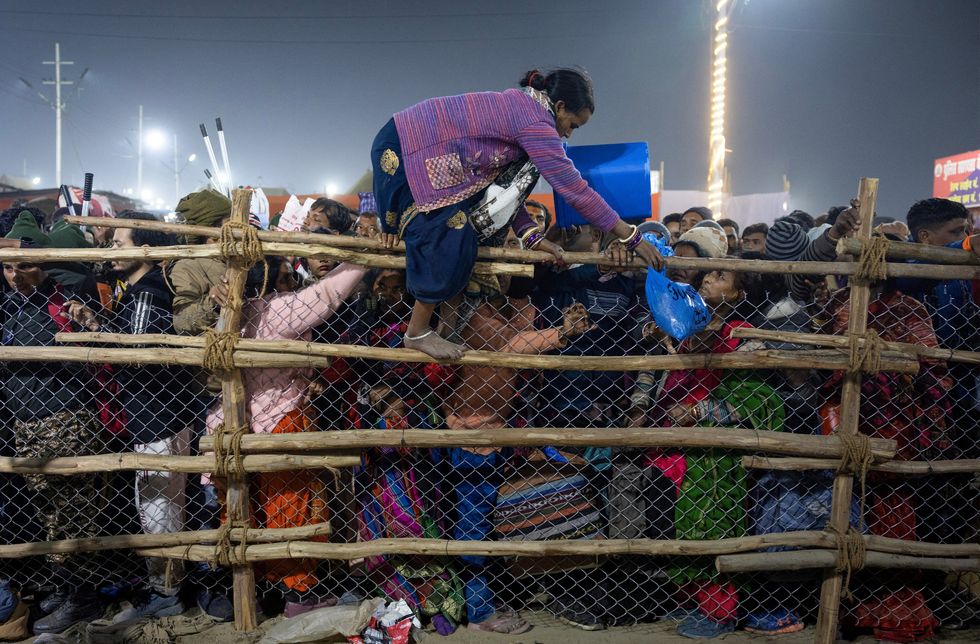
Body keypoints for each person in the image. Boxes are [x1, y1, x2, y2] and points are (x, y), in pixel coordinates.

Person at [371, 66, 662, 360]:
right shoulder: (536, 120)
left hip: (425, 151)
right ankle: (417, 332)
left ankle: (445, 329)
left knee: (464, 236)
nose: (568, 134)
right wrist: (632, 236)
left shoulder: (528, 109)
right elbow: (573, 189)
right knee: (449, 232)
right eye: (573, 124)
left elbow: (505, 191)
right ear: (559, 106)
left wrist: (533, 237)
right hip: (407, 147)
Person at [65, 211, 195, 620]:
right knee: (158, 506)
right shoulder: (134, 289)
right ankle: (165, 589)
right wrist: (96, 323)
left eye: (119, 242)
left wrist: (95, 335)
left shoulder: (148, 290)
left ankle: (167, 595)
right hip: (153, 413)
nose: (112, 249)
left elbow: (135, 354)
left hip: (158, 414)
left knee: (159, 510)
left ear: (145, 248)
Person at [2, 217, 110, 634]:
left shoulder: (65, 300)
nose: (15, 276)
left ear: (44, 264)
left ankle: (84, 599)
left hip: (65, 419)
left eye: (25, 267)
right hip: (26, 423)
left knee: (74, 515)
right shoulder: (10, 305)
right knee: (48, 512)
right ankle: (68, 588)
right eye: (9, 267)